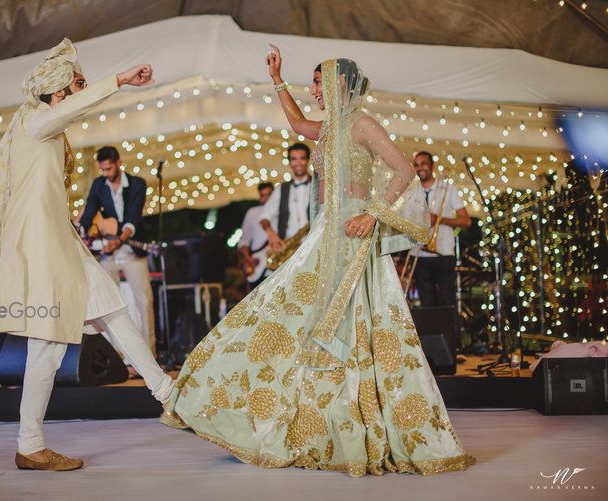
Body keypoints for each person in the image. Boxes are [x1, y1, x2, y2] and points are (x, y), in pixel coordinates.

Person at [161, 45, 475, 477]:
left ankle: (350, 423)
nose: (313, 91)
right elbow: (294, 122)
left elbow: (402, 171)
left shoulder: (363, 124)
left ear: (337, 83)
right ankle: (293, 413)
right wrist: (277, 79)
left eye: (316, 82)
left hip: (352, 236)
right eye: (310, 84)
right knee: (280, 310)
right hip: (326, 233)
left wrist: (372, 213)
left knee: (355, 324)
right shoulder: (329, 128)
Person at [0, 39, 173, 471]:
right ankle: (29, 444)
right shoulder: (34, 121)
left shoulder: (50, 128)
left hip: (62, 243)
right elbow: (66, 113)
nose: (83, 90)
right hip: (39, 248)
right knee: (46, 345)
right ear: (58, 93)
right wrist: (118, 80)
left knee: (114, 311)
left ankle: (170, 396)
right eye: (78, 84)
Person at [79, 146, 155, 355]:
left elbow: (134, 217)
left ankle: (150, 353)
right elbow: (89, 212)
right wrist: (83, 235)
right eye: (102, 170)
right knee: (106, 303)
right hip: (108, 253)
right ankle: (115, 356)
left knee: (144, 301)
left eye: (109, 169)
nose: (105, 174)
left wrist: (119, 240)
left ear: (119, 163)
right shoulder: (98, 185)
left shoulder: (138, 184)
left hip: (131, 250)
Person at [410, 151, 472, 307]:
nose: (420, 168)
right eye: (416, 165)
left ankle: (449, 332)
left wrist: (438, 219)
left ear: (432, 166)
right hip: (418, 253)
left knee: (447, 301)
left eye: (423, 163)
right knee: (426, 303)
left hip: (443, 253)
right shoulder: (411, 191)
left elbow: (466, 221)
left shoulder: (447, 188)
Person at [260, 143, 312, 253]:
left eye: (302, 158)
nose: (298, 163)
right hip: (288, 247)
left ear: (308, 160)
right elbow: (264, 217)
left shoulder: (319, 186)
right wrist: (271, 234)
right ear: (289, 162)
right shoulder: (281, 189)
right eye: (294, 159)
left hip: (313, 245)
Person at [238, 182, 274, 288]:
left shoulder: (281, 212)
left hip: (276, 263)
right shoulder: (252, 213)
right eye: (263, 195)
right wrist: (247, 257)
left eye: (269, 194)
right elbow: (244, 240)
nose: (267, 198)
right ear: (260, 197)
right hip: (257, 264)